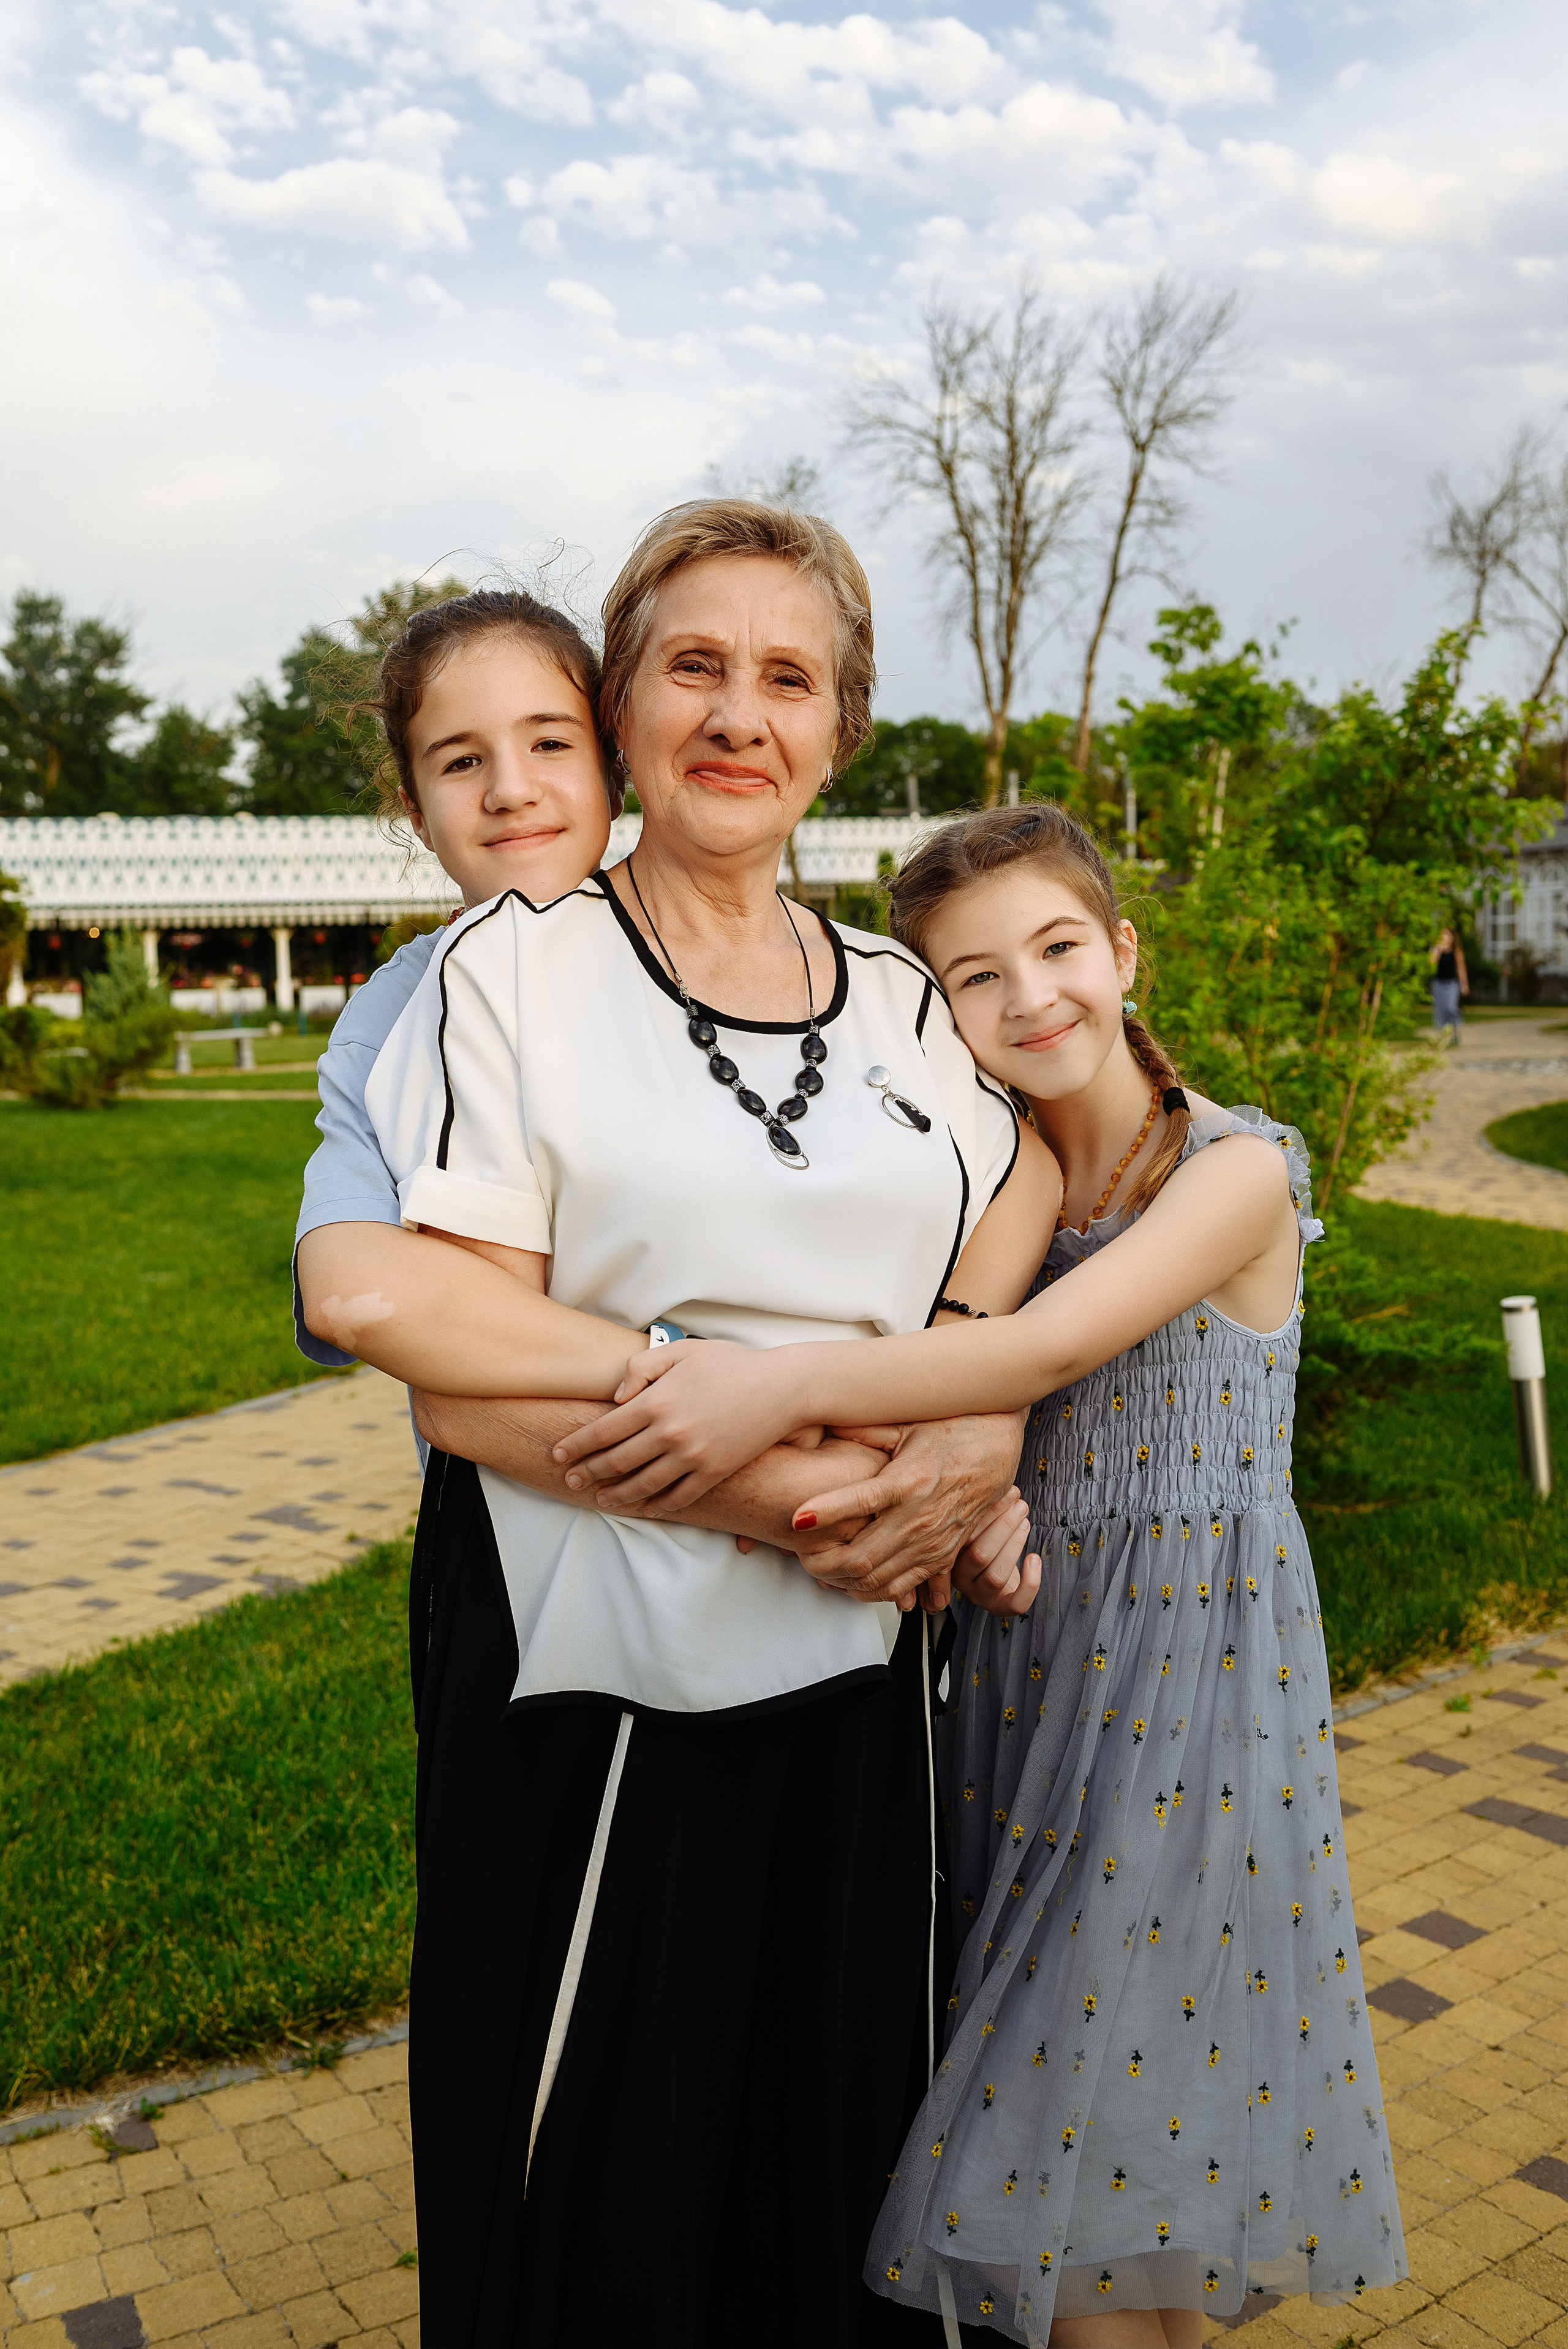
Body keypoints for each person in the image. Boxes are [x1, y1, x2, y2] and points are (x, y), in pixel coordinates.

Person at [298, 515, 1055, 2348]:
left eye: (785, 677)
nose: (737, 713)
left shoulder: (900, 1000)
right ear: (622, 705)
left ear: (843, 730)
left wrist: (984, 1403)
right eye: (690, 668)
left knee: (830, 2137)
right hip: (597, 1675)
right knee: (599, 2185)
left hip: (866, 1673)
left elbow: (1032, 1171)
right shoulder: (516, 976)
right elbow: (466, 1379)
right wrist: (815, 1493)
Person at [557, 805, 1406, 2346]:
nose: (1029, 998)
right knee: (1086, 2170)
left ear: (1122, 948)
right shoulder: (1003, 1175)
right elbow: (939, 1353)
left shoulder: (1236, 1170)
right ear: (935, 1007)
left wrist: (754, 1384)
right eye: (973, 976)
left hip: (1182, 1710)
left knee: (1075, 2171)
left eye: (1058, 947)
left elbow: (1030, 1349)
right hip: (1012, 1694)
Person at [1429, 927, 1468, 1043]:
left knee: (1451, 1008)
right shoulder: (1438, 950)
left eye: (1447, 935)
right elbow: (1432, 962)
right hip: (1438, 984)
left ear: (1452, 937)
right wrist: (1437, 950)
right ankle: (1442, 1036)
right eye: (1443, 935)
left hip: (1452, 984)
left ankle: (1455, 1032)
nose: (1445, 937)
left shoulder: (1457, 951)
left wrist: (1464, 984)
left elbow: (1461, 969)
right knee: (1440, 1010)